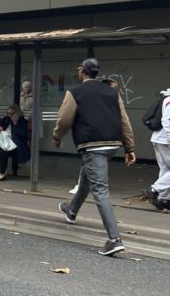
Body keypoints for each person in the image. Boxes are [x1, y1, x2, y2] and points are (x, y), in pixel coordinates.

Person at [53, 58, 136, 257]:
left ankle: (114, 239)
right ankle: (71, 210)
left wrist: (57, 136)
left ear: (82, 71)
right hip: (112, 144)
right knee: (88, 177)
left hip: (92, 145)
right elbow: (124, 119)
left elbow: (64, 119)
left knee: (100, 189)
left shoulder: (76, 91)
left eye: (78, 68)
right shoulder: (112, 92)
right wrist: (129, 147)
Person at [143, 88, 170, 210]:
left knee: (165, 169)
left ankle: (164, 199)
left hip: (159, 138)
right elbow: (166, 120)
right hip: (165, 139)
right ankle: (154, 190)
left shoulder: (166, 98)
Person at [0, 105, 30, 180]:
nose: (10, 115)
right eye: (8, 113)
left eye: (12, 113)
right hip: (5, 141)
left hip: (16, 144)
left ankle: (2, 172)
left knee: (3, 153)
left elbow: (22, 134)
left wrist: (15, 123)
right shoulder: (7, 119)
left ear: (17, 113)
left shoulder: (22, 121)